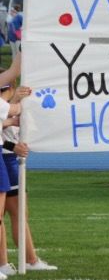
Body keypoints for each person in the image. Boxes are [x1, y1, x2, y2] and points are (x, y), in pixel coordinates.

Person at [0, 83, 57, 273]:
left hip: (10, 159)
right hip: (6, 159)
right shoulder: (6, 105)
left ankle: (13, 262)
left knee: (17, 214)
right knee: (17, 213)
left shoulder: (11, 105)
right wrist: (12, 146)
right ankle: (26, 261)